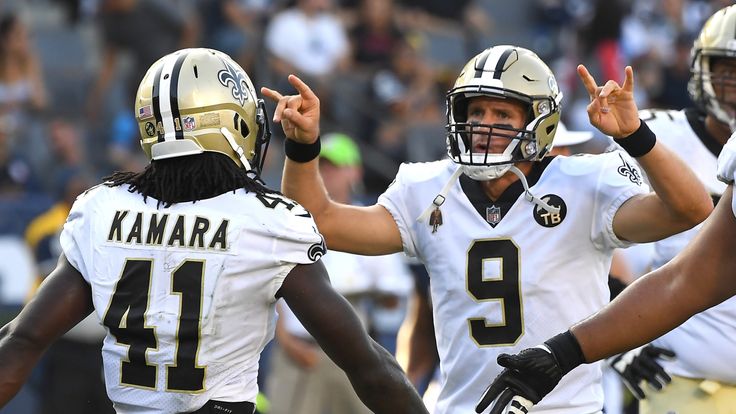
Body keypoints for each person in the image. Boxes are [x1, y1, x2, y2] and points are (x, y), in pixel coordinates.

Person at [262, 44, 713, 413]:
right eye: (476, 112)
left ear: (538, 122)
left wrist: (636, 135)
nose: (483, 126)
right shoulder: (428, 188)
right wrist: (303, 151)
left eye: (503, 116)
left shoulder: (583, 183)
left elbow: (691, 210)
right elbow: (318, 222)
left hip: (565, 410)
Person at [0, 48, 428, 414]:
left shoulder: (103, 208)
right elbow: (365, 363)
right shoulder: (266, 222)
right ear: (233, 126)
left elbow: (23, 341)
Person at [474, 157, 736, 414]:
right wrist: (562, 353)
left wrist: (637, 137)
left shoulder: (589, 180)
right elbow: (684, 281)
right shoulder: (438, 189)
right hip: (683, 381)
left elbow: (689, 218)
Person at [601, 6, 736, 413]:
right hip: (686, 384)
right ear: (701, 68)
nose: (734, 85)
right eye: (726, 69)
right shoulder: (656, 138)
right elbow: (598, 253)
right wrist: (619, 345)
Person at [266, 132, 413, 414]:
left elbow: (395, 296)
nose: (326, 175)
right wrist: (285, 341)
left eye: (335, 167)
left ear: (354, 171)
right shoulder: (285, 223)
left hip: (353, 352)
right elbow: (271, 287)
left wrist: (368, 292)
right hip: (296, 351)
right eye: (321, 167)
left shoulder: (370, 223)